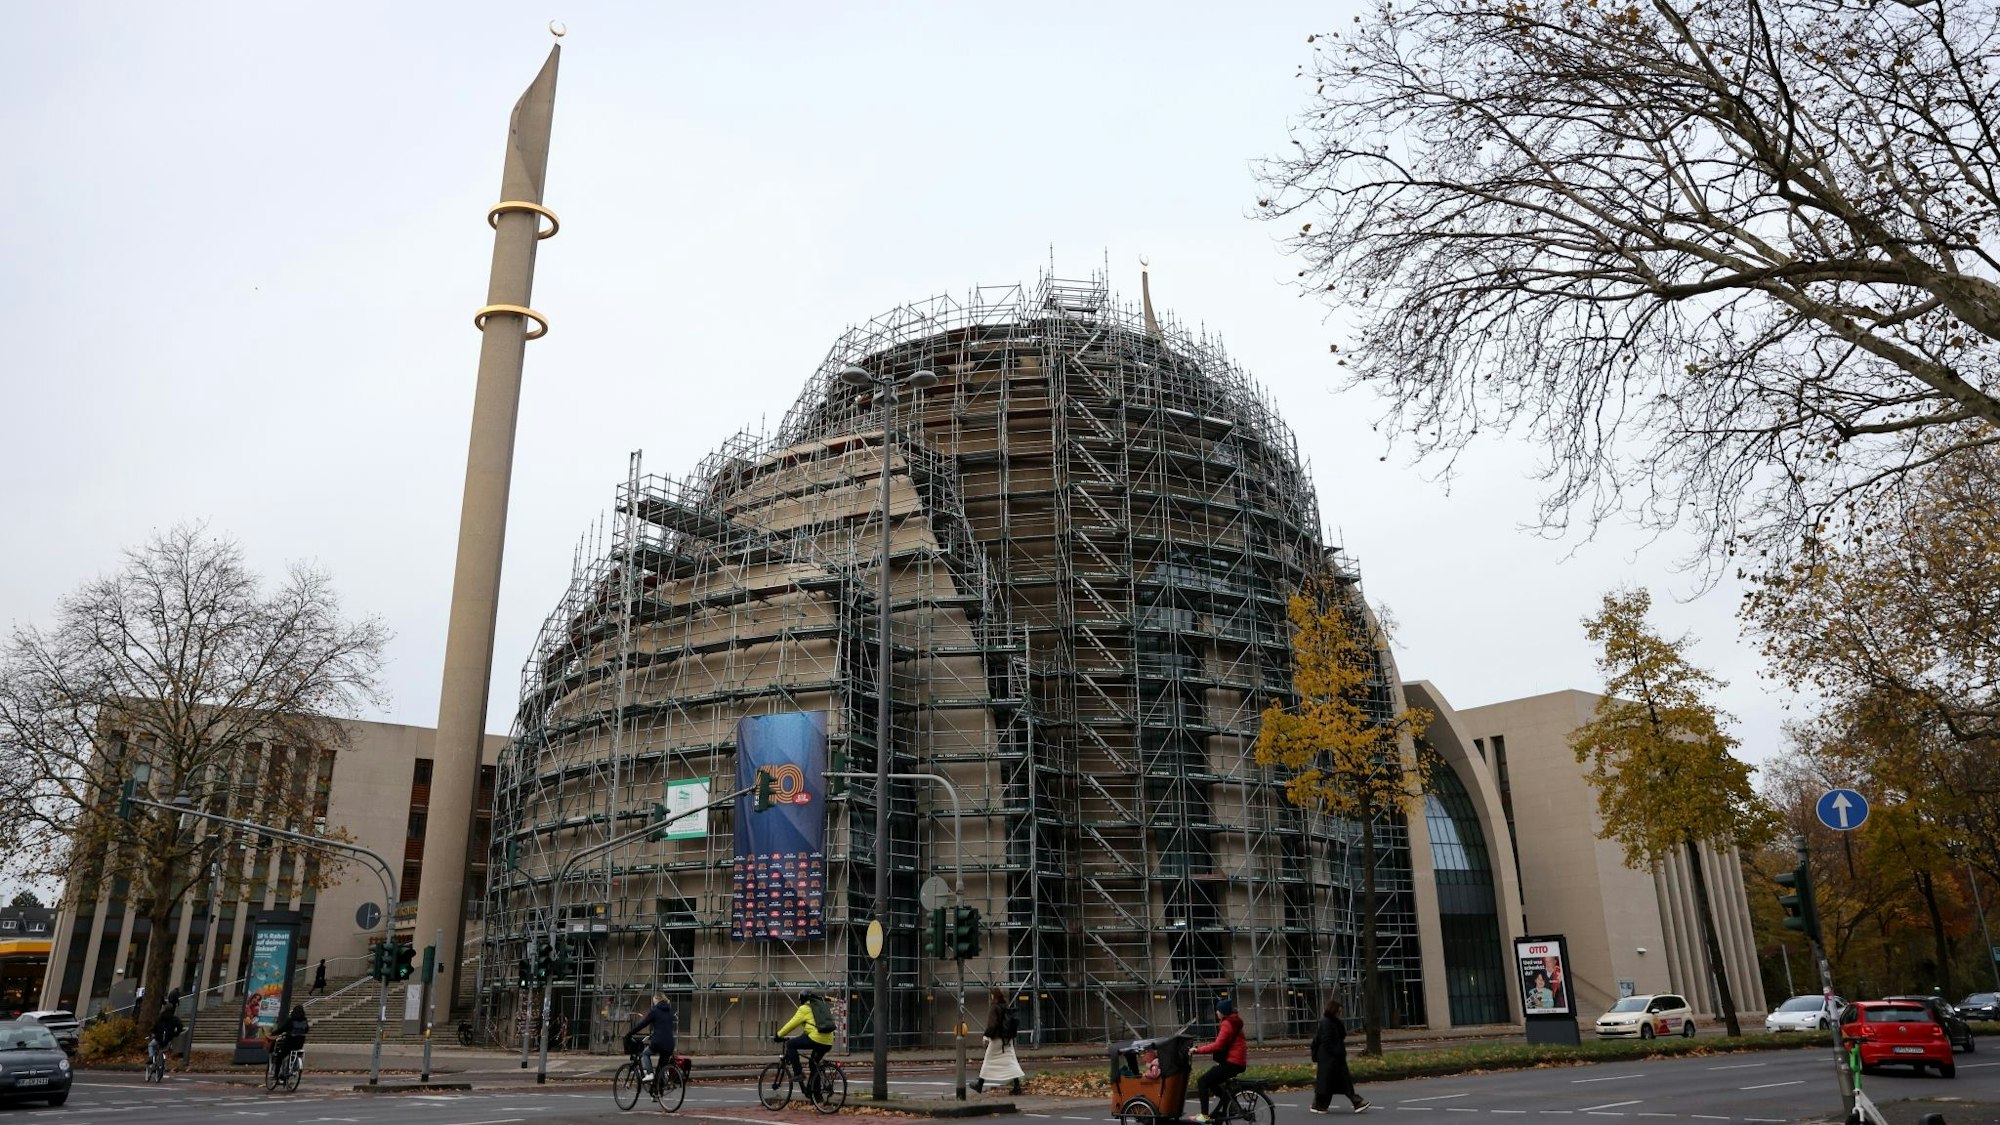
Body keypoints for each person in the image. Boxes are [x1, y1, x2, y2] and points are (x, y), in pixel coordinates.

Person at [1190, 996, 1247, 1124]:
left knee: (1202, 1081)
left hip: (1232, 1063)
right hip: (1237, 1062)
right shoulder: (1234, 1021)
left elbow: (1218, 1045)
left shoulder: (1227, 1024)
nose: (1216, 1012)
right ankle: (1230, 1106)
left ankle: (1204, 1117)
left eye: (1218, 1010)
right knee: (1212, 1082)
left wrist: (1197, 1050)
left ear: (1223, 1012)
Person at [1308, 996, 1370, 1114]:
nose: (1340, 1014)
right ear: (1334, 1010)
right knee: (1342, 1081)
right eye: (1339, 1011)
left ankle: (1319, 1105)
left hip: (1332, 1059)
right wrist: (1337, 1053)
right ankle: (1357, 1102)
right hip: (1331, 1059)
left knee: (1329, 1083)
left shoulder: (1331, 1022)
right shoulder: (1327, 1023)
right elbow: (1326, 1041)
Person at [970, 987, 1024, 1095]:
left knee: (988, 1060)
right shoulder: (1005, 1006)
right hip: (1007, 1039)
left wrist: (986, 1036)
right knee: (1010, 1061)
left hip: (997, 1039)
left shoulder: (994, 1007)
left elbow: (992, 1024)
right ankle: (1017, 1086)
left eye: (991, 994)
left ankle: (979, 1084)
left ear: (994, 995)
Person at [775, 990, 834, 1087]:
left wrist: (778, 1035)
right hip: (828, 1041)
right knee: (814, 1064)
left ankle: (798, 1073)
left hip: (816, 1038)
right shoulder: (820, 1007)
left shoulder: (804, 1008)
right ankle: (816, 1096)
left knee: (790, 1044)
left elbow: (792, 1024)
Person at [630, 993, 678, 1092]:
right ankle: (657, 1092)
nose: (653, 1003)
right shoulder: (669, 1011)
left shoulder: (655, 1010)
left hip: (659, 1042)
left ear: (657, 1000)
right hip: (670, 1044)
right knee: (661, 1069)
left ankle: (649, 1073)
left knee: (645, 1053)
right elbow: (664, 1026)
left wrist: (630, 1033)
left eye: (653, 1001)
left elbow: (643, 1024)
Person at [150, 989, 185, 1070]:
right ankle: (164, 1065)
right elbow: (180, 1027)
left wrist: (153, 1033)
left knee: (151, 1045)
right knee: (164, 1050)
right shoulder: (174, 1019)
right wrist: (175, 1034)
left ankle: (152, 1059)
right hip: (168, 1038)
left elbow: (155, 1027)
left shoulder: (160, 1018)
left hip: (158, 1038)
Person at [269, 1004, 309, 1074]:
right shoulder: (304, 1020)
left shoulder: (291, 1019)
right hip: (299, 1043)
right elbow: (306, 1030)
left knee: (280, 1056)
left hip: (290, 1042)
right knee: (293, 1054)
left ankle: (276, 1074)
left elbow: (282, 1029)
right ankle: (292, 1068)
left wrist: (273, 1033)